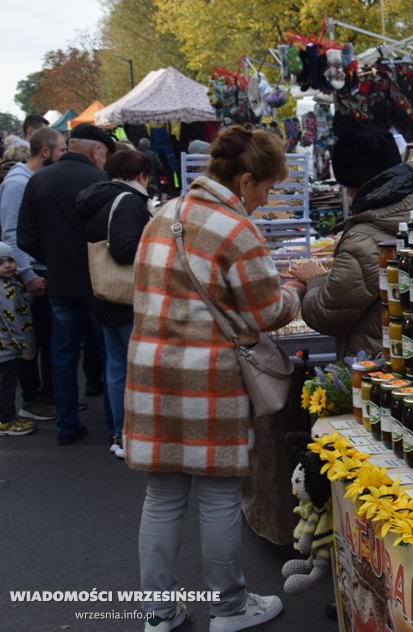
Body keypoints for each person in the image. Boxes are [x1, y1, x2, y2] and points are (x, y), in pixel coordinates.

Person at [124, 125, 321, 632]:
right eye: (266, 188)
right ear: (246, 179)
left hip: (151, 373)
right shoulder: (235, 228)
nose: (266, 198)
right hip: (209, 378)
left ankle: (158, 613)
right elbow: (266, 312)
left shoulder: (163, 216)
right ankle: (229, 607)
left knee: (162, 497)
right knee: (217, 496)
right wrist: (298, 285)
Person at [302, 120, 413, 357]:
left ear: (350, 182)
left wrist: (313, 278)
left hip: (382, 365)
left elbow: (327, 315)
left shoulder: (363, 239)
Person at [18, 123, 114, 445]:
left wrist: (53, 257)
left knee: (63, 356)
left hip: (59, 281)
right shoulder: (101, 181)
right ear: (96, 151)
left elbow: (25, 238)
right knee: (108, 354)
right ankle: (115, 426)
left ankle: (67, 424)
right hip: (98, 282)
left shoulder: (38, 181)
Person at [77, 150, 153, 458]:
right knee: (136, 368)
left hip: (104, 294)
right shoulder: (128, 201)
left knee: (117, 366)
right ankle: (133, 435)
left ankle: (120, 433)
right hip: (127, 297)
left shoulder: (98, 198)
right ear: (139, 175)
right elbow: (123, 249)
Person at [0, 127, 64, 421]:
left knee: (40, 339)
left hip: (38, 271)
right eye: (62, 150)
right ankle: (32, 399)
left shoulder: (31, 180)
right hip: (32, 275)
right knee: (28, 341)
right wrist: (27, 274)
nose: (65, 156)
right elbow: (12, 234)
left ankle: (45, 397)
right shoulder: (18, 184)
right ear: (46, 152)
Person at [0, 242, 36, 436]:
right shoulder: (7, 290)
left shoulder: (11, 284)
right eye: (1, 263)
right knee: (7, 386)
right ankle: (6, 421)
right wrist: (26, 348)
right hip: (9, 349)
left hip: (5, 347)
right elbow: (15, 324)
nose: (7, 266)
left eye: (10, 260)